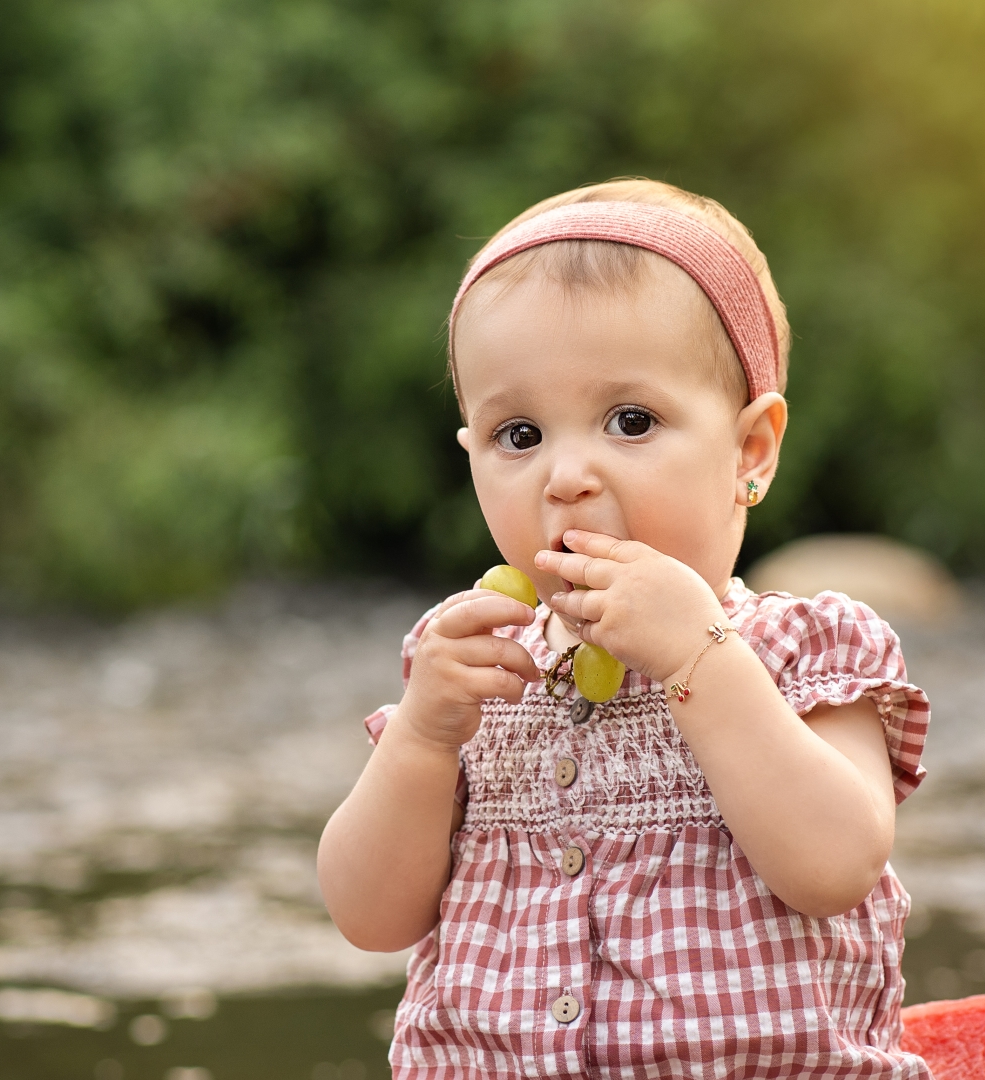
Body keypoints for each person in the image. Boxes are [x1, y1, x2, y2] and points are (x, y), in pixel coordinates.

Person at [317, 179, 931, 1078]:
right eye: (518, 434)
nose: (565, 475)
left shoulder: (807, 650)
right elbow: (368, 917)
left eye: (630, 421)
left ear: (750, 450)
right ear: (471, 457)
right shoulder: (472, 665)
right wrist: (419, 738)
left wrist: (696, 657)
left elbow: (835, 864)